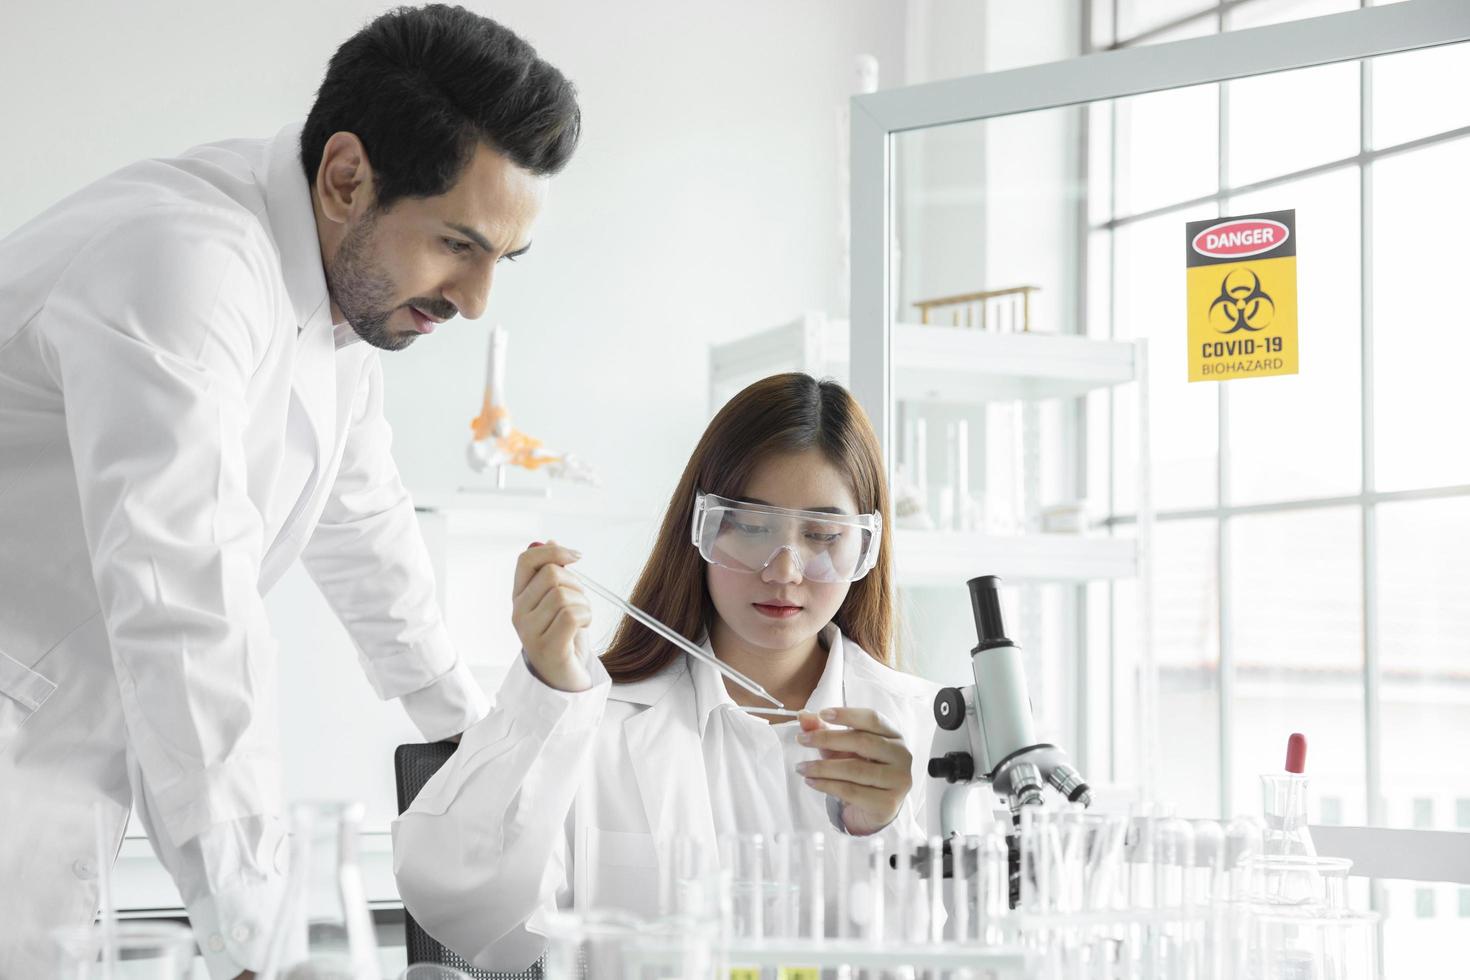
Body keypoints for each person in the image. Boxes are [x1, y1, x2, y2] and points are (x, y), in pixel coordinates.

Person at [0, 6, 580, 977]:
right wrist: (255, 947)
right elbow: (186, 614)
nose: (478, 301)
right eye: (458, 245)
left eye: (500, 262)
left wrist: (464, 738)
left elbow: (361, 517)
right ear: (346, 175)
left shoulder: (334, 296)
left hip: (56, 743)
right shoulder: (186, 269)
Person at [393, 373, 943, 971]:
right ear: (700, 528)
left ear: (863, 547)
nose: (785, 570)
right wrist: (545, 695)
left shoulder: (928, 729)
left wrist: (884, 831)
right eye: (753, 528)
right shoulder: (593, 719)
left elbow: (962, 952)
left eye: (822, 536)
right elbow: (469, 916)